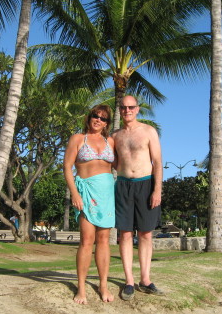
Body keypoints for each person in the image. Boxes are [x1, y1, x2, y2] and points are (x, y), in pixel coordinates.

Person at [112, 95, 164, 301]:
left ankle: (145, 279)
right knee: (124, 235)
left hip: (146, 185)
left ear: (138, 109)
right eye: (123, 108)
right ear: (120, 110)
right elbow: (112, 162)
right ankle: (129, 282)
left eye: (131, 107)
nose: (127, 111)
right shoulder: (115, 136)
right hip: (123, 186)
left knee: (145, 234)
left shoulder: (148, 131)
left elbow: (158, 162)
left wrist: (157, 190)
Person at [63, 105, 115, 304]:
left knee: (103, 240)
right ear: (89, 117)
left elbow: (121, 163)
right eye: (95, 116)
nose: (98, 120)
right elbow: (67, 167)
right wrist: (74, 193)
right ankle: (81, 287)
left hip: (107, 194)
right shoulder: (77, 139)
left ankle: (103, 285)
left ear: (107, 123)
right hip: (86, 193)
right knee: (86, 240)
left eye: (103, 118)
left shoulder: (110, 141)